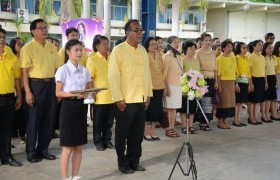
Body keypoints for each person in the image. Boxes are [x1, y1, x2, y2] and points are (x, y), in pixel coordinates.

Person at [108, 19, 152, 174]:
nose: (140, 33)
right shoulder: (118, 50)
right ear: (127, 33)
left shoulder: (142, 50)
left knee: (137, 134)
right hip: (125, 100)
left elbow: (147, 74)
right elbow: (113, 76)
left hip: (140, 99)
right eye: (137, 30)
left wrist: (148, 94)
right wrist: (118, 98)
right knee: (122, 134)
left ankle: (134, 160)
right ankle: (123, 162)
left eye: (141, 30)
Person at [20, 19, 60, 163]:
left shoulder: (51, 47)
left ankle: (43, 149)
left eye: (45, 27)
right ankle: (31, 151)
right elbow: (24, 72)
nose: (44, 30)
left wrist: (58, 89)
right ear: (33, 31)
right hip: (35, 86)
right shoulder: (27, 48)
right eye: (41, 28)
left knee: (48, 120)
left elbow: (57, 69)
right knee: (33, 120)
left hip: (50, 86)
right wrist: (28, 92)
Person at [55, 39, 92, 180]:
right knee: (68, 146)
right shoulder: (63, 70)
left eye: (80, 50)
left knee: (78, 146)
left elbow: (89, 88)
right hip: (68, 108)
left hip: (81, 108)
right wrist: (74, 94)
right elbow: (58, 92)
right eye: (76, 50)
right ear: (68, 52)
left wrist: (88, 93)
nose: (79, 52)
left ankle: (75, 176)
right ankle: (65, 178)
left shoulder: (84, 69)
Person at [86, 35, 115, 151]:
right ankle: (98, 142)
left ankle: (107, 140)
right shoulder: (92, 59)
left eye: (107, 44)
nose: (107, 46)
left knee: (109, 122)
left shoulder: (112, 58)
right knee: (98, 122)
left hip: (112, 96)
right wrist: (92, 94)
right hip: (99, 97)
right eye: (104, 44)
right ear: (97, 46)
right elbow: (90, 79)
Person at [0, 28, 22, 167]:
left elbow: (16, 79)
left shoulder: (10, 56)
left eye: (3, 37)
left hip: (8, 98)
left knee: (6, 129)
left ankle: (6, 156)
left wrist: (19, 96)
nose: (1, 39)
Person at [143, 37, 164, 141]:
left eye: (155, 44)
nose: (155, 46)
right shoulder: (145, 56)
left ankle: (153, 132)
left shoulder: (160, 55)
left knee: (157, 110)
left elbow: (163, 71)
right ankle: (146, 132)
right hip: (149, 87)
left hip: (159, 86)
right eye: (152, 44)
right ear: (147, 46)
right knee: (147, 111)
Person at [195, 33, 217, 131]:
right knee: (203, 100)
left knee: (209, 101)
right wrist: (199, 80)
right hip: (202, 79)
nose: (208, 42)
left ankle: (207, 120)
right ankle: (202, 121)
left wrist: (216, 81)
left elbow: (215, 68)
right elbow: (196, 67)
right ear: (201, 41)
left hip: (211, 78)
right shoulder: (198, 52)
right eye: (206, 40)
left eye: (209, 40)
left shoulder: (213, 53)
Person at [162, 36, 182, 138]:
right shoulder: (166, 56)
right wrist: (166, 88)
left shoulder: (178, 57)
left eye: (178, 42)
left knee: (174, 109)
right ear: (169, 44)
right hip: (169, 85)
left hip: (177, 85)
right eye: (175, 42)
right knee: (169, 109)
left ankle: (172, 127)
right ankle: (168, 129)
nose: (177, 44)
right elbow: (164, 74)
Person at [178, 41, 200, 134]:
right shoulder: (182, 60)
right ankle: (184, 126)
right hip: (185, 88)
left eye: (194, 49)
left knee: (192, 108)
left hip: (194, 87)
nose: (193, 51)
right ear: (185, 49)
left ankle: (190, 126)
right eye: (191, 49)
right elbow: (180, 73)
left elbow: (199, 73)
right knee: (184, 108)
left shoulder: (196, 61)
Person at [216, 40, 238, 129]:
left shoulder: (233, 57)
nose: (230, 48)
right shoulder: (220, 59)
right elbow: (218, 74)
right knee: (223, 103)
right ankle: (220, 121)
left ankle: (225, 121)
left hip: (231, 82)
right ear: (223, 48)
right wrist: (219, 85)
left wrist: (236, 83)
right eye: (228, 46)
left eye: (231, 46)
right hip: (223, 82)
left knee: (230, 103)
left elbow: (235, 71)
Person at [9, 37, 26, 142]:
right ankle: (14, 134)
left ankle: (23, 133)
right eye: (19, 44)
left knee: (23, 113)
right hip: (14, 89)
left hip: (24, 88)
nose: (21, 46)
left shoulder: (25, 57)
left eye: (23, 44)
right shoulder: (12, 58)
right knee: (14, 112)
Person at [248, 40, 266, 125]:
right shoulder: (251, 57)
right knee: (252, 100)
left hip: (261, 79)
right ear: (254, 47)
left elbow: (264, 71)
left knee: (258, 100)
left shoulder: (262, 57)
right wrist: (251, 83)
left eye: (261, 45)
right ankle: (251, 117)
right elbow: (250, 72)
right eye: (259, 45)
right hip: (254, 79)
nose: (261, 47)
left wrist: (266, 82)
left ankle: (255, 117)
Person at [234, 42, 251, 127]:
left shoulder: (246, 59)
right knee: (237, 102)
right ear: (239, 49)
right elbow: (235, 72)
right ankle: (235, 120)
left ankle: (239, 120)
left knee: (241, 103)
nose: (245, 50)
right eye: (243, 48)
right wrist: (236, 84)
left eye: (246, 48)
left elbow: (248, 73)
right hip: (239, 82)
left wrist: (249, 84)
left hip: (245, 82)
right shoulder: (236, 58)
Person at [262, 42, 277, 123]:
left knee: (270, 99)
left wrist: (277, 81)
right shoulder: (263, 58)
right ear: (265, 49)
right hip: (266, 78)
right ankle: (264, 116)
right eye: (269, 48)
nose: (271, 49)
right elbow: (264, 71)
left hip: (272, 78)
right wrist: (266, 82)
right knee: (265, 99)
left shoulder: (273, 58)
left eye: (272, 48)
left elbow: (275, 70)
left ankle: (268, 115)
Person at [273, 41, 280, 120]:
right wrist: (276, 79)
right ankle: (274, 114)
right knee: (276, 97)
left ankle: (276, 113)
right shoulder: (274, 56)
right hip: (277, 76)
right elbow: (275, 69)